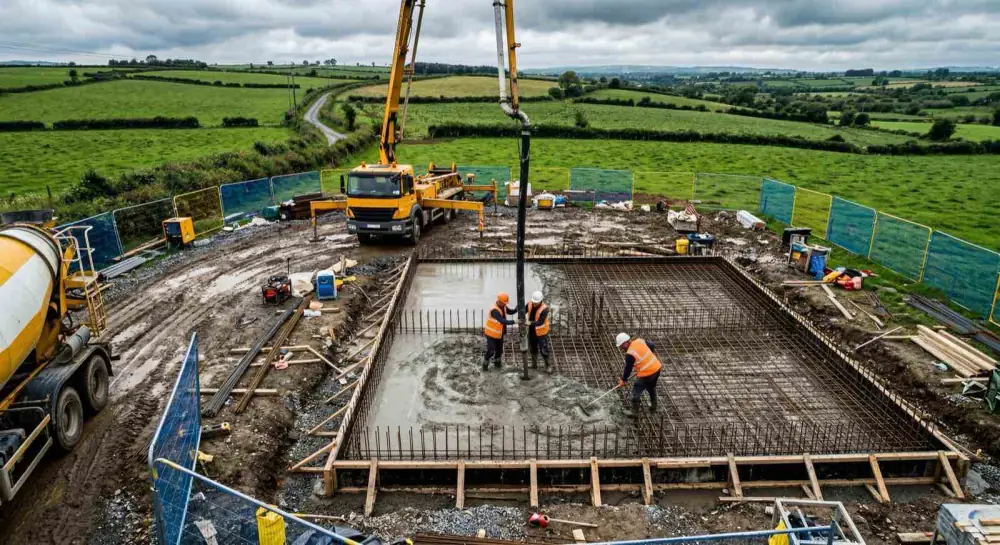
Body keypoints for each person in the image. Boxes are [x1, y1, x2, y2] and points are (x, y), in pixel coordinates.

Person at [615, 332, 662, 416]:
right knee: (651, 387)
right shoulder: (640, 341)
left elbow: (628, 368)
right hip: (657, 368)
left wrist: (623, 380)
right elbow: (652, 346)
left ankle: (634, 412)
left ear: (625, 343)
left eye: (621, 346)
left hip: (647, 374)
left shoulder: (630, 353)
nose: (621, 348)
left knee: (635, 393)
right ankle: (653, 407)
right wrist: (647, 360)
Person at [482, 292, 517, 371]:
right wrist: (515, 321)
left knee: (499, 350)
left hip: (498, 333)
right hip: (491, 334)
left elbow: (510, 311)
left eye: (505, 303)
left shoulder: (503, 307)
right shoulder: (495, 310)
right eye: (504, 303)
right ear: (499, 301)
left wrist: (517, 308)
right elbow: (502, 321)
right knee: (491, 350)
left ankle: (497, 363)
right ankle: (485, 363)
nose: (505, 305)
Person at [526, 290, 551, 370]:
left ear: (540, 301)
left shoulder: (545, 309)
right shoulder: (530, 304)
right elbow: (522, 309)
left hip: (541, 332)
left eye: (536, 302)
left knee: (543, 349)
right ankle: (534, 365)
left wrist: (529, 323)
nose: (534, 303)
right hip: (532, 330)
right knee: (533, 348)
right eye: (533, 302)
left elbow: (540, 322)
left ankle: (548, 366)